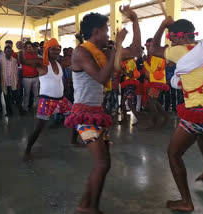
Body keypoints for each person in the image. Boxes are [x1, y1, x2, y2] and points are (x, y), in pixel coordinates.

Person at [149, 18, 203, 211]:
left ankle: (186, 202)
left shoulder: (182, 50)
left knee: (173, 153)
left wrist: (163, 25)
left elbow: (153, 49)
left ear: (181, 37)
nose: (170, 43)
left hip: (199, 109)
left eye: (171, 38)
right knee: (200, 132)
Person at [64, 6, 141, 214]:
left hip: (96, 113)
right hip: (83, 114)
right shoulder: (81, 52)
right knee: (102, 163)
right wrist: (117, 46)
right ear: (96, 32)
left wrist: (135, 21)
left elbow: (135, 52)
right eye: (106, 30)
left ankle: (84, 205)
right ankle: (92, 208)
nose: (108, 33)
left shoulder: (104, 52)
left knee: (103, 163)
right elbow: (101, 77)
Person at [18, 38, 72, 161]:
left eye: (58, 49)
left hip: (61, 99)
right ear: (47, 50)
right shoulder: (41, 62)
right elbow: (23, 60)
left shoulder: (60, 63)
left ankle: (74, 140)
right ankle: (27, 151)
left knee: (75, 117)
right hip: (46, 100)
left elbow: (73, 61)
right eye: (54, 49)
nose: (57, 51)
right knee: (38, 128)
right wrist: (21, 49)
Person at [143, 38, 169, 127]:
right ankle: (164, 117)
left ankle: (153, 121)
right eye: (146, 46)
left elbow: (151, 70)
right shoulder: (158, 55)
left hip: (156, 82)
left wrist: (144, 62)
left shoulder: (154, 56)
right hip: (158, 81)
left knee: (151, 102)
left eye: (148, 46)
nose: (147, 48)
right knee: (153, 101)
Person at [0, 46, 24, 116]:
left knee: (17, 97)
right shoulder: (1, 60)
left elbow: (16, 71)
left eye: (10, 52)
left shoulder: (14, 60)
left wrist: (16, 80)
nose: (9, 53)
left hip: (13, 81)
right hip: (5, 82)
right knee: (6, 98)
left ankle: (21, 111)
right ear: (4, 52)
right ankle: (9, 112)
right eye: (7, 51)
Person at [22, 41, 39, 111]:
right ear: (25, 48)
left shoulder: (35, 55)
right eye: (27, 47)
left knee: (36, 94)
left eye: (30, 47)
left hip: (35, 77)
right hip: (26, 78)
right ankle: (25, 108)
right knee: (26, 94)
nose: (29, 48)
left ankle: (39, 108)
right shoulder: (23, 55)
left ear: (32, 48)